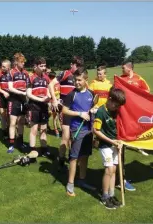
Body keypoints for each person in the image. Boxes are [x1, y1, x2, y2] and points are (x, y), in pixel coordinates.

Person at [114, 61, 150, 192]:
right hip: (121, 116)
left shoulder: (139, 78)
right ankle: (120, 179)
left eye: (123, 67)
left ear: (129, 68)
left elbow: (147, 92)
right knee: (120, 148)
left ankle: (120, 178)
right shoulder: (120, 79)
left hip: (133, 116)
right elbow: (114, 93)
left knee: (127, 142)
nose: (121, 69)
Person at [62, 67, 96, 197]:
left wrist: (93, 111)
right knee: (74, 158)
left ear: (86, 80)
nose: (76, 83)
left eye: (79, 80)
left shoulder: (91, 94)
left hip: (88, 130)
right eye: (75, 80)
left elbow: (92, 108)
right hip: (76, 129)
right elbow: (64, 111)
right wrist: (80, 113)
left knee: (85, 156)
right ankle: (70, 185)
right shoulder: (72, 94)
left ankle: (82, 181)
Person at [48, 56, 84, 171]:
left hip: (77, 111)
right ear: (71, 64)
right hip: (66, 111)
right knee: (65, 137)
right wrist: (54, 99)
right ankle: (61, 161)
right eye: (75, 65)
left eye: (79, 66)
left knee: (74, 138)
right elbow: (50, 85)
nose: (77, 68)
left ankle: (72, 159)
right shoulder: (65, 73)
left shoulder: (79, 77)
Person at [93, 87, 126, 209]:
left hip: (116, 145)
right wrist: (112, 141)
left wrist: (120, 140)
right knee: (109, 170)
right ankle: (104, 197)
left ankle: (111, 195)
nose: (117, 108)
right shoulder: (101, 112)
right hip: (105, 146)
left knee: (114, 170)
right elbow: (96, 130)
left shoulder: (116, 111)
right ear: (110, 100)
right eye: (116, 105)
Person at [26, 57, 51, 157]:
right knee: (34, 130)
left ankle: (44, 149)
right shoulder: (31, 77)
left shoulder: (46, 77)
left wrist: (49, 98)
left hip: (44, 106)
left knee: (44, 129)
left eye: (45, 65)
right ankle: (32, 150)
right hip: (34, 106)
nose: (44, 68)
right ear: (35, 66)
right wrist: (40, 99)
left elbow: (48, 90)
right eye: (41, 66)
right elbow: (28, 94)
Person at [7, 53, 29, 153]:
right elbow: (10, 88)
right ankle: (11, 144)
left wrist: (27, 94)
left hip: (23, 100)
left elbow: (28, 87)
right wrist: (22, 92)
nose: (23, 63)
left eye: (24, 61)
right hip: (14, 100)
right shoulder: (11, 72)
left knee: (21, 122)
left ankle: (20, 142)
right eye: (21, 61)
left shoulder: (26, 73)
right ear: (16, 62)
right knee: (13, 122)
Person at [89, 65, 112, 148]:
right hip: (95, 109)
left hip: (104, 110)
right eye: (98, 74)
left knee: (102, 127)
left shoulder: (109, 84)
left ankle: (99, 141)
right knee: (93, 127)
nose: (99, 76)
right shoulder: (93, 83)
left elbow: (110, 97)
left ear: (105, 74)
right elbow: (89, 96)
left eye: (101, 74)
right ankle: (90, 143)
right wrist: (92, 107)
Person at [0, 60, 11, 140]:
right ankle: (4, 133)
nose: (2, 68)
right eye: (1, 66)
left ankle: (11, 131)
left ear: (8, 67)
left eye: (4, 66)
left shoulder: (12, 74)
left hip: (11, 96)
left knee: (11, 116)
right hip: (2, 95)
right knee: (3, 115)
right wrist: (3, 92)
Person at [47, 70, 61, 137]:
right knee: (55, 117)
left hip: (59, 102)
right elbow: (49, 94)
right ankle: (56, 131)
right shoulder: (50, 85)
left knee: (59, 117)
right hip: (54, 103)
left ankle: (59, 129)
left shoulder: (58, 83)